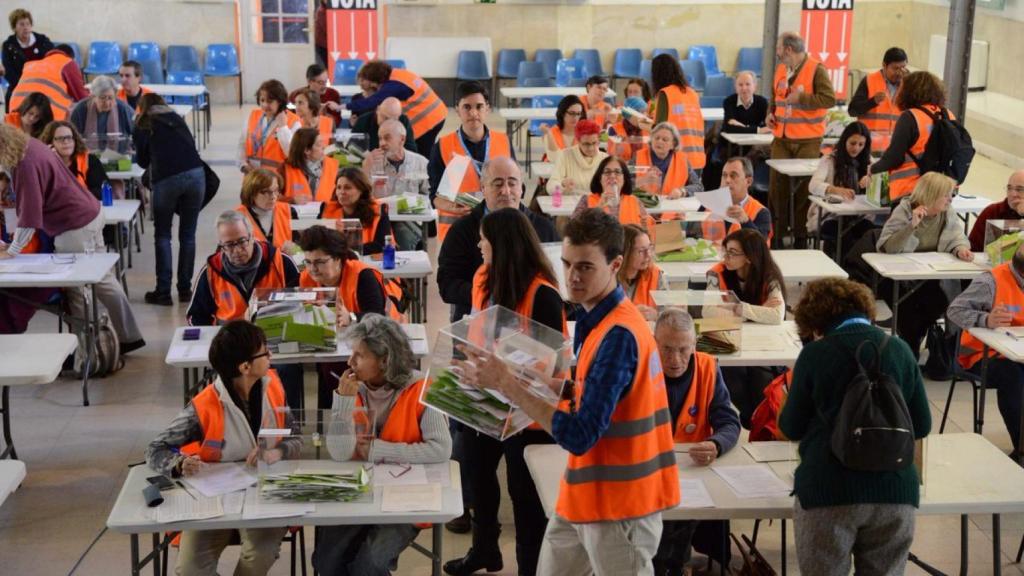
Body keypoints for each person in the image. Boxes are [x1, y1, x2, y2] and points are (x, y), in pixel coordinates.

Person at [455, 208, 680, 575]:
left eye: (585, 267)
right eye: (567, 263)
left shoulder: (619, 334)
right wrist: (536, 378)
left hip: (621, 505)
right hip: (586, 492)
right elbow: (595, 391)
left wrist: (507, 383)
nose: (572, 277)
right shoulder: (600, 321)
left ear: (616, 264)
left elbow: (580, 434)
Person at [780, 277, 930, 576]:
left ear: (814, 321)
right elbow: (922, 425)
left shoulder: (814, 355)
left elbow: (791, 427)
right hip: (895, 490)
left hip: (829, 489)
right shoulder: (899, 349)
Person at [444, 207, 566, 576]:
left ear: (503, 243)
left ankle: (529, 567)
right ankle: (484, 550)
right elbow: (476, 328)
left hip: (528, 411)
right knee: (479, 477)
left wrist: (504, 373)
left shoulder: (544, 294)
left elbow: (553, 366)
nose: (479, 245)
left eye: (485, 239)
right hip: (485, 399)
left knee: (524, 496)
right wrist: (464, 360)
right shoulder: (483, 276)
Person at [145, 319, 301, 576]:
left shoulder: (274, 385)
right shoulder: (204, 405)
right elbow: (155, 448)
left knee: (257, 557)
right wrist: (179, 463)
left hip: (265, 495)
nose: (270, 355)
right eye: (265, 351)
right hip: (213, 499)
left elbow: (295, 438)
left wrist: (276, 451)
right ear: (245, 366)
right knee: (190, 569)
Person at [313, 314, 452, 575]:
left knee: (369, 565)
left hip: (406, 498)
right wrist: (342, 403)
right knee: (325, 562)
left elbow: (441, 449)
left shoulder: (422, 388)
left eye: (359, 356)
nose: (349, 362)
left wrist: (378, 450)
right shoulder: (351, 389)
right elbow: (340, 454)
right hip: (359, 491)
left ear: (385, 360)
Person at [0, 124, 144, 354]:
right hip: (89, 213)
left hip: (74, 225)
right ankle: (128, 337)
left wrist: (13, 249)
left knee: (77, 289)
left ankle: (90, 354)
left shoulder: (23, 163)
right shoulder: (29, 145)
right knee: (102, 279)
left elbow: (30, 215)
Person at [652, 308, 740, 576]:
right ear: (653, 343)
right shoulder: (638, 368)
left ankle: (677, 564)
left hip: (693, 473)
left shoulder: (708, 368)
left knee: (680, 528)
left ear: (694, 344)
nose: (675, 359)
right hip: (650, 470)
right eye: (666, 349)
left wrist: (715, 444)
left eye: (683, 349)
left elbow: (729, 421)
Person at [438, 156, 558, 322]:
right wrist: (491, 295)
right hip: (476, 322)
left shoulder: (543, 229)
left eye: (512, 183)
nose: (506, 191)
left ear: (521, 188)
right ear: (483, 189)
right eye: (498, 183)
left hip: (531, 326)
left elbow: (557, 281)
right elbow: (447, 284)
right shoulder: (462, 230)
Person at [297, 225, 397, 408]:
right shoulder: (306, 278)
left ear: (338, 259)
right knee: (327, 367)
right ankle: (332, 419)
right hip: (333, 345)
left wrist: (350, 317)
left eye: (320, 262)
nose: (313, 269)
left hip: (379, 340)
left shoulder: (362, 275)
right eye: (308, 262)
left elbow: (378, 316)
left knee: (342, 367)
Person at [877, 171, 973, 355]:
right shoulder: (904, 210)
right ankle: (911, 348)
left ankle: (923, 347)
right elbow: (888, 247)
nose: (950, 199)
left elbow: (957, 237)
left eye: (951, 194)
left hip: (931, 276)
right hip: (901, 278)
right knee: (909, 311)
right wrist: (911, 226)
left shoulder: (947, 213)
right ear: (932, 194)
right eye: (946, 195)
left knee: (937, 302)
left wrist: (960, 248)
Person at [949, 241, 1024, 459]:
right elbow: (954, 311)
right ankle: (1021, 449)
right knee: (1014, 377)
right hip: (981, 356)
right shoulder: (990, 281)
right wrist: (986, 319)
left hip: (1018, 351)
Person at [707, 228, 786, 427]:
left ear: (749, 257)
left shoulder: (769, 277)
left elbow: (777, 315)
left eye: (733, 253)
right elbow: (708, 311)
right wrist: (757, 313)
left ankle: (760, 422)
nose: (726, 257)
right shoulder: (716, 273)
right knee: (730, 373)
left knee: (761, 375)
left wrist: (738, 308)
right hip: (725, 339)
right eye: (725, 251)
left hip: (763, 342)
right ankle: (754, 420)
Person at [133, 92, 205, 306]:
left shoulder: (143, 123)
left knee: (163, 235)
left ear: (142, 107)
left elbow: (144, 161)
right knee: (188, 235)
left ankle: (163, 291)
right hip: (196, 175)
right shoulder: (176, 118)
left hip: (167, 179)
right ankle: (185, 289)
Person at [767, 31, 836, 248]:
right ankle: (776, 237)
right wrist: (770, 113)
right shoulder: (780, 69)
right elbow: (775, 97)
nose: (777, 53)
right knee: (777, 189)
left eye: (778, 48)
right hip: (781, 138)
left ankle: (799, 237)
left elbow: (829, 99)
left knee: (803, 191)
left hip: (807, 140)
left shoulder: (817, 69)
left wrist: (802, 98)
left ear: (788, 49)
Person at [428, 81, 513, 242]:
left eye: (479, 106)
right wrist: (451, 207)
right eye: (467, 107)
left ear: (487, 108)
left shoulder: (504, 142)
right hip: (457, 232)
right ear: (458, 110)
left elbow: (518, 187)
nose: (473, 113)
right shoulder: (442, 146)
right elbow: (434, 196)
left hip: (498, 229)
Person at [187, 210, 301, 327]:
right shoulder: (211, 272)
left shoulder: (281, 262)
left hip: (274, 331)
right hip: (230, 338)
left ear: (252, 237)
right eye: (229, 245)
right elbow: (196, 316)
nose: (237, 250)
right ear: (221, 245)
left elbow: (301, 303)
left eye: (242, 241)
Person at [349, 60, 446, 156]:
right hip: (436, 112)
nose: (363, 86)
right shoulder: (396, 75)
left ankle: (425, 170)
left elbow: (374, 102)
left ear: (374, 82)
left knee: (421, 153)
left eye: (365, 83)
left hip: (429, 118)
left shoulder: (392, 88)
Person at [808, 121, 876, 256]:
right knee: (845, 236)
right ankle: (846, 270)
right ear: (844, 141)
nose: (856, 148)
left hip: (860, 216)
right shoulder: (829, 159)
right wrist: (836, 190)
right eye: (852, 143)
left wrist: (872, 181)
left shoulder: (869, 162)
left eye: (861, 144)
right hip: (830, 216)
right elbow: (813, 186)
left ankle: (859, 272)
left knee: (869, 235)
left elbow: (886, 183)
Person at [361, 119, 429, 250]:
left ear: (402, 139)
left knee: (402, 231)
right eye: (380, 139)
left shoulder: (421, 163)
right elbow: (361, 198)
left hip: (409, 221)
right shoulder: (371, 163)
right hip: (378, 221)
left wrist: (410, 205)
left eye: (387, 138)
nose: (382, 143)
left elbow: (429, 198)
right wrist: (366, 169)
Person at [650, 54, 705, 171]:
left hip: (675, 160)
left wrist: (639, 123)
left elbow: (659, 128)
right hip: (697, 158)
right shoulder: (692, 93)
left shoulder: (665, 94)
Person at [321, 166, 393, 255]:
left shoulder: (378, 210)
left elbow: (382, 245)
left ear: (361, 190)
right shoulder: (326, 209)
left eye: (347, 188)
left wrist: (346, 250)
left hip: (367, 263)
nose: (342, 192)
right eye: (339, 187)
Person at [848, 47, 908, 152]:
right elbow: (852, 110)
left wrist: (910, 82)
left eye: (902, 68)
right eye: (895, 68)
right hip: (868, 146)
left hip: (895, 147)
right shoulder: (870, 80)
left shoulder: (908, 84)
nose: (899, 72)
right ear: (884, 65)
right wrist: (872, 102)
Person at [701, 156, 773, 243]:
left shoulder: (761, 212)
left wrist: (745, 221)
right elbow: (691, 236)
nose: (727, 180)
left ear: (748, 181)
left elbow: (760, 247)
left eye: (733, 176)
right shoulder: (708, 204)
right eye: (724, 175)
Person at [8, 43, 86, 120]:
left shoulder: (30, 64)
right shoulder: (68, 62)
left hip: (15, 113)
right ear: (70, 57)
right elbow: (81, 96)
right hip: (48, 118)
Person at [239, 79, 301, 174]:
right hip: (253, 178)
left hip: (278, 181)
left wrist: (283, 127)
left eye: (269, 101)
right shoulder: (253, 116)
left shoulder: (294, 122)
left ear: (280, 101)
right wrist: (243, 165)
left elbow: (292, 154)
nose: (264, 105)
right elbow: (242, 144)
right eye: (262, 100)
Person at [572, 155, 652, 228]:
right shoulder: (586, 200)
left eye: (617, 172)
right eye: (607, 172)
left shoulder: (635, 201)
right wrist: (598, 208)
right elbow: (573, 229)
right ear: (600, 178)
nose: (612, 176)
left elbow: (647, 231)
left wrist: (646, 226)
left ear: (624, 179)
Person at [634, 122, 704, 200]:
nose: (659, 141)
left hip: (672, 209)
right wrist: (642, 180)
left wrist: (681, 191)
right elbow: (623, 184)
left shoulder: (682, 160)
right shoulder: (638, 157)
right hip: (645, 208)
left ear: (673, 144)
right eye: (656, 138)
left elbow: (698, 186)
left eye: (665, 140)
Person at [1, 9, 53, 109]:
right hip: (19, 86)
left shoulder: (43, 41)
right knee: (11, 98)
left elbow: (51, 63)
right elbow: (8, 71)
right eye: (21, 24)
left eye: (28, 24)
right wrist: (24, 87)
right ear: (14, 27)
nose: (25, 28)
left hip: (42, 85)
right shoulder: (8, 45)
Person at [236, 167, 296, 253]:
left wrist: (295, 251)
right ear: (251, 193)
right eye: (265, 192)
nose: (273, 197)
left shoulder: (290, 211)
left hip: (284, 265)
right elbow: (223, 256)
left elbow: (304, 251)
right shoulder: (236, 217)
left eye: (276, 190)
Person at [69, 75, 134, 153]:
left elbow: (135, 134)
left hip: (120, 157)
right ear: (93, 96)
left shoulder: (124, 109)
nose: (107, 103)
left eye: (110, 98)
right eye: (102, 98)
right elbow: (73, 138)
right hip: (88, 156)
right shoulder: (80, 110)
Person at [545, 119, 607, 196]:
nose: (591, 148)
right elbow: (550, 186)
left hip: (597, 205)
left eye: (594, 143)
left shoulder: (605, 159)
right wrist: (562, 185)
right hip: (571, 205)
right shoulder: (565, 155)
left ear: (598, 140)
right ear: (578, 141)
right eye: (586, 144)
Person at [618, 224, 667, 321]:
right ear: (626, 253)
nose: (648, 255)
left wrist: (656, 315)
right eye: (641, 251)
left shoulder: (655, 275)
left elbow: (669, 313)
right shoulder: (608, 278)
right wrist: (630, 315)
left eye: (649, 248)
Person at [968, 170, 1024, 251]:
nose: (1013, 194)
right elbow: (973, 249)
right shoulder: (992, 212)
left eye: (1019, 189)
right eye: (1009, 188)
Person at [281, 126, 339, 204]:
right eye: (319, 144)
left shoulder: (333, 166)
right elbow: (273, 197)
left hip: (326, 214)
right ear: (307, 150)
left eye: (323, 142)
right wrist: (292, 200)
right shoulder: (284, 170)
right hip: (294, 215)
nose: (324, 147)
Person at [352, 95, 416, 153]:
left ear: (398, 116)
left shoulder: (403, 121)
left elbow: (411, 150)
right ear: (378, 110)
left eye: (392, 120)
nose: (387, 122)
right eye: (385, 117)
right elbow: (352, 147)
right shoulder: (363, 121)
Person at [294, 63, 342, 127]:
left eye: (326, 82)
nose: (324, 86)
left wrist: (325, 115)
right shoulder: (298, 95)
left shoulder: (333, 94)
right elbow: (290, 119)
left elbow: (337, 122)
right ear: (309, 81)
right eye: (321, 82)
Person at [606, 96, 652, 162]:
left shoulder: (648, 130)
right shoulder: (614, 129)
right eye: (640, 112)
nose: (644, 115)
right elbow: (610, 156)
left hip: (643, 170)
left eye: (645, 112)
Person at [539, 95, 583, 162]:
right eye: (571, 113)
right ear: (562, 113)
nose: (575, 117)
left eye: (578, 114)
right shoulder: (550, 133)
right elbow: (554, 158)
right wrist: (549, 134)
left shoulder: (584, 133)